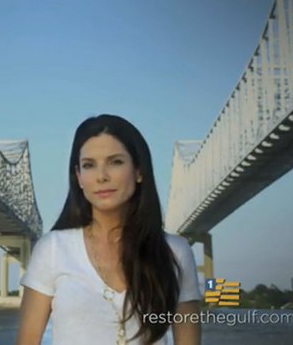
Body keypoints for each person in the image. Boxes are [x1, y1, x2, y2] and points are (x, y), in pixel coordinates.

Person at [15, 114, 202, 345]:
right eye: (89, 165)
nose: (101, 176)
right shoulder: (52, 249)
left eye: (115, 162)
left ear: (139, 171)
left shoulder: (175, 251)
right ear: (79, 177)